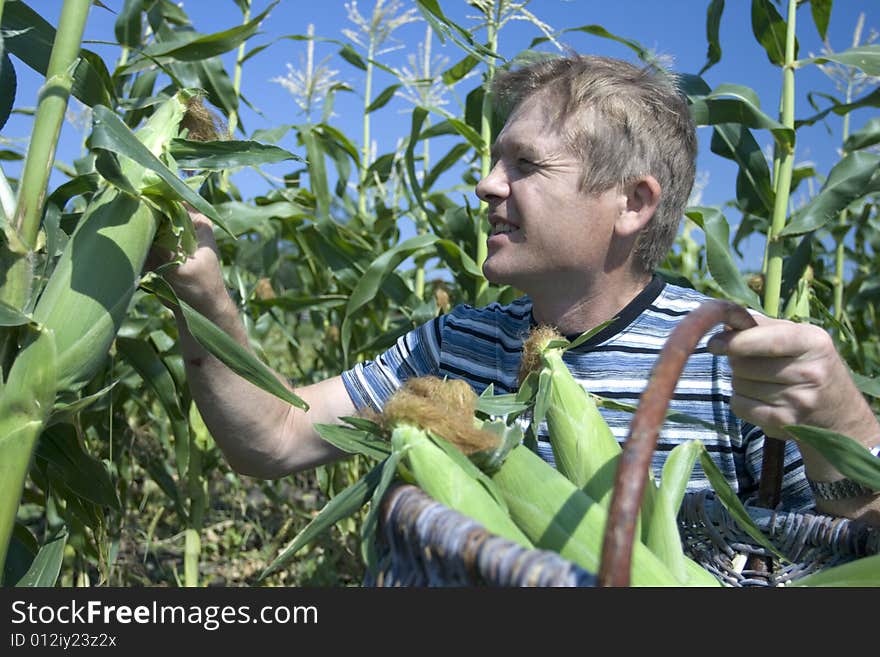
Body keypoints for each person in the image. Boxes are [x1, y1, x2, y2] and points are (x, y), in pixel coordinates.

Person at [162, 54, 880, 525]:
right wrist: (206, 303)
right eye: (492, 158)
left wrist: (848, 431)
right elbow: (274, 439)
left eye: (525, 165)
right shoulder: (451, 347)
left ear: (632, 203)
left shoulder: (731, 356)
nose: (485, 184)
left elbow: (847, 547)